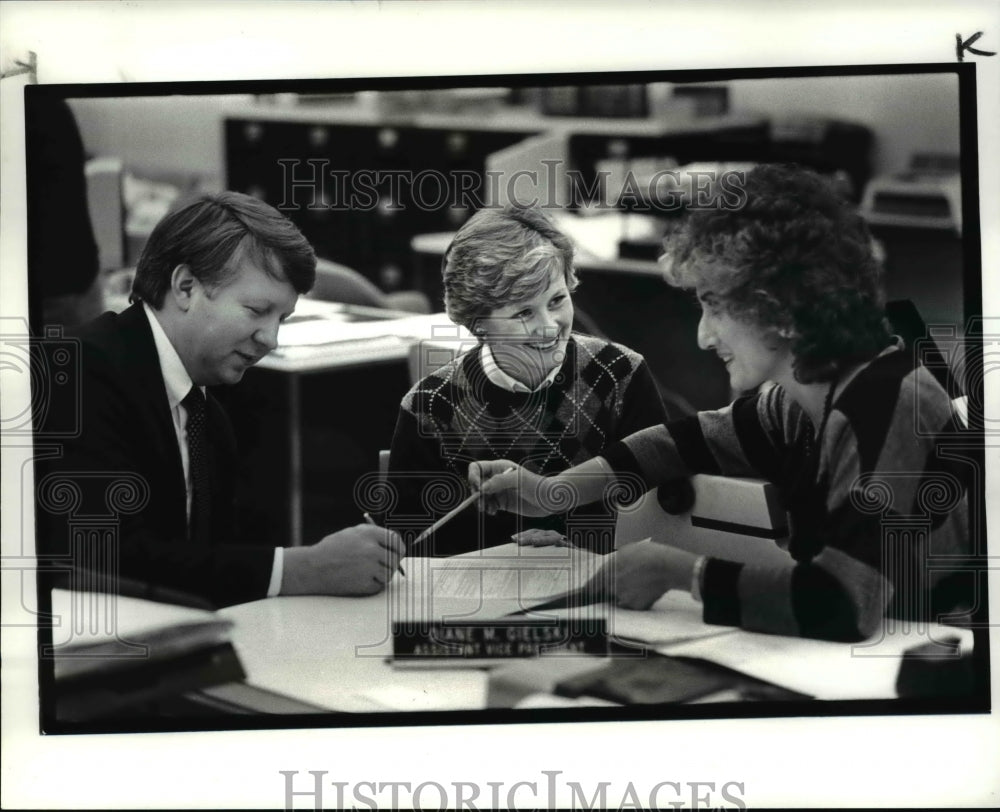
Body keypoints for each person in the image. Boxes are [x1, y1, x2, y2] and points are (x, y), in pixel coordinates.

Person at [469, 165, 969, 641]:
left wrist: (680, 571)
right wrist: (551, 492)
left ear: (778, 307)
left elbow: (842, 603)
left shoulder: (894, 402)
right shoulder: (799, 402)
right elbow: (682, 442)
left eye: (713, 305)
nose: (704, 337)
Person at [35, 192, 403, 607]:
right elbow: (99, 560)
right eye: (256, 310)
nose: (271, 338)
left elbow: (210, 559)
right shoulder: (79, 375)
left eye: (280, 318)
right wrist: (303, 568)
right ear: (185, 287)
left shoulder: (209, 413)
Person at [385, 205, 668, 556]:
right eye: (523, 312)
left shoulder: (621, 375)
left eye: (557, 300)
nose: (549, 325)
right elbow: (410, 547)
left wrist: (573, 548)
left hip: (605, 587)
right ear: (478, 323)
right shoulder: (430, 405)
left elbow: (663, 511)